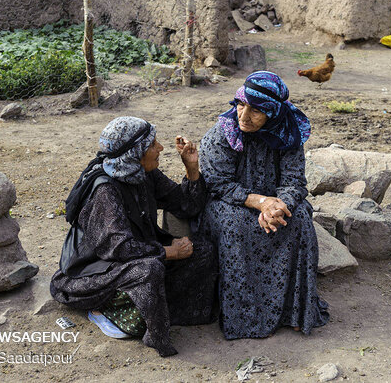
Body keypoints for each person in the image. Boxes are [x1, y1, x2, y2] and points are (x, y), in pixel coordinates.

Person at [50, 116, 216, 357]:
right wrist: (170, 251)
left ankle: (156, 310)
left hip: (136, 258)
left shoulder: (143, 173)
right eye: (153, 145)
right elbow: (119, 249)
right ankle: (104, 311)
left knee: (203, 251)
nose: (160, 148)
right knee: (149, 270)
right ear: (134, 153)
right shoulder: (105, 190)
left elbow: (186, 206)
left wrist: (191, 168)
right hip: (93, 273)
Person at [198, 71, 329, 340]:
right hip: (229, 201)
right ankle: (243, 318)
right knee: (236, 226)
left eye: (256, 111)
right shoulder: (224, 132)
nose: (244, 116)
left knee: (300, 219)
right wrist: (259, 202)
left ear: (273, 112)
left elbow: (295, 180)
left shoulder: (287, 132)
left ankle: (294, 311)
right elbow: (217, 183)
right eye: (241, 105)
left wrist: (277, 206)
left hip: (274, 203)